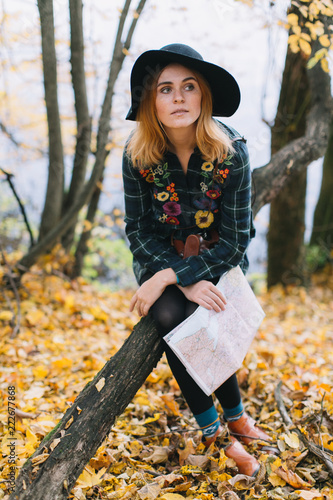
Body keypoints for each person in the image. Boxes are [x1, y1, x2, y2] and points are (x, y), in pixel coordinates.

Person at [122, 43, 270, 476]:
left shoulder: (232, 153)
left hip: (219, 262)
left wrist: (177, 275)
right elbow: (138, 231)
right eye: (165, 89)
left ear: (203, 94)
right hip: (158, 258)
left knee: (203, 311)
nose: (179, 98)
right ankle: (216, 434)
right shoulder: (138, 155)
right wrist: (174, 278)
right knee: (172, 314)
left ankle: (237, 415)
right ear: (151, 102)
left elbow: (235, 242)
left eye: (189, 86)